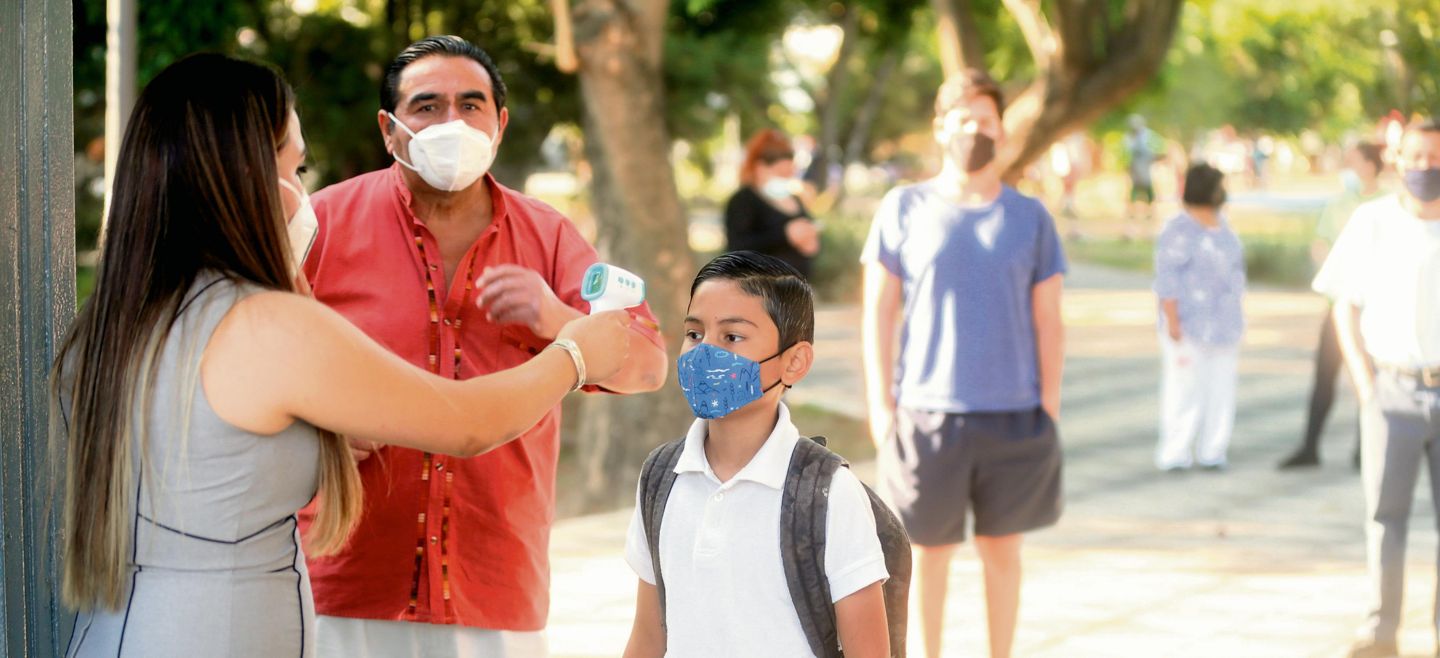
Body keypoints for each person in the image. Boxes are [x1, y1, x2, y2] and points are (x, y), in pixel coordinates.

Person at [53, 53, 632, 658]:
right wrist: (574, 352)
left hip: (116, 630)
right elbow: (467, 424)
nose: (305, 192)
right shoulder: (267, 322)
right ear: (247, 176)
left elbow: (212, 465)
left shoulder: (112, 319)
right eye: (295, 167)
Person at [296, 36, 669, 656]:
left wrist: (556, 317)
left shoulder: (548, 235)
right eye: (427, 106)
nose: (452, 123)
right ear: (390, 130)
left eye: (471, 106)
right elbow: (257, 363)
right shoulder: (321, 225)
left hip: (494, 587)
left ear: (499, 123)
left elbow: (649, 365)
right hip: (342, 584)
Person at [861, 69, 1066, 658]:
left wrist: (1048, 404)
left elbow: (1050, 319)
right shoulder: (903, 208)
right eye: (963, 118)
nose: (975, 129)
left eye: (986, 119)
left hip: (1013, 416)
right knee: (926, 555)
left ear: (1001, 129)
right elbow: (880, 312)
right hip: (927, 414)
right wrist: (881, 405)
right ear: (940, 127)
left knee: (1003, 553)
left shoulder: (1031, 218)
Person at [621, 251, 889, 657]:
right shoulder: (661, 477)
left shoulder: (828, 493)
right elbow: (648, 638)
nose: (704, 353)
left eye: (732, 337)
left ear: (794, 362)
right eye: (694, 334)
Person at [1313, 119, 1440, 658]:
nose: (1424, 167)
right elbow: (1343, 301)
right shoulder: (1372, 222)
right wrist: (1365, 384)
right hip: (1391, 391)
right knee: (1384, 519)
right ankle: (1381, 631)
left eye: (1434, 157)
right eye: (1415, 156)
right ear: (1397, 159)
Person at [1279, 141, 1388, 470]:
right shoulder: (1338, 205)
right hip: (1340, 304)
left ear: (1370, 165)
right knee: (1325, 376)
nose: (1348, 167)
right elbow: (1321, 245)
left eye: (1354, 161)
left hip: (1374, 307)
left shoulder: (1387, 207)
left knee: (1369, 377)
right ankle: (1310, 446)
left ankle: (1364, 449)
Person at [1153, 163, 1246, 472]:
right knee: (1184, 390)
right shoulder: (1178, 230)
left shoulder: (1224, 227)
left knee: (1220, 390)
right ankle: (1175, 452)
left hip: (1224, 325)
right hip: (1189, 324)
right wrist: (1173, 321)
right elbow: (1167, 279)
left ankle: (1213, 451)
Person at [724, 129, 821, 279]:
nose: (786, 179)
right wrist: (785, 235)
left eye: (790, 174)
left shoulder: (794, 199)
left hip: (795, 291)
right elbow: (737, 249)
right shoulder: (743, 201)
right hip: (759, 291)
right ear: (760, 168)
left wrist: (811, 242)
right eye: (781, 174)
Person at [1124, 114, 1158, 238]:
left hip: (1146, 173)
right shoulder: (1128, 139)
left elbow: (1157, 153)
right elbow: (1126, 158)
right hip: (1135, 174)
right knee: (1132, 202)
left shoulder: (1148, 137)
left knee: (1150, 202)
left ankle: (1149, 230)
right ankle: (1131, 229)